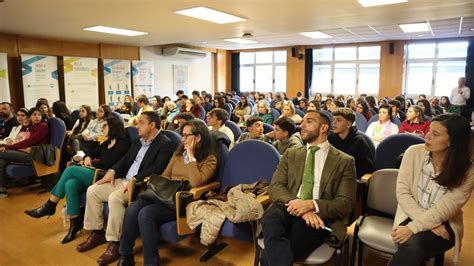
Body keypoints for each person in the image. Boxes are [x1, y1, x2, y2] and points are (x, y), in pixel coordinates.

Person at [76, 111, 175, 265]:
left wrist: (136, 179)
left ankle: (115, 243)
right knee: (93, 190)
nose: (137, 125)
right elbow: (126, 159)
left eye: (141, 122)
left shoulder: (165, 144)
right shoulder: (138, 141)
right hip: (123, 180)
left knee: (114, 198)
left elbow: (158, 168)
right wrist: (112, 171)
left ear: (152, 125)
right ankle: (97, 232)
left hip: (140, 185)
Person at [261, 110, 357, 265]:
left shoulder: (344, 162)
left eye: (309, 121)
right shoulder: (291, 154)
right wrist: (301, 206)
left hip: (319, 218)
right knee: (271, 216)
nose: (302, 125)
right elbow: (275, 187)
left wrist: (311, 205)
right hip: (288, 206)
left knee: (279, 250)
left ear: (323, 128)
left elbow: (345, 203)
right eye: (303, 121)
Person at [117, 119, 218, 265]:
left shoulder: (209, 159)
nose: (182, 139)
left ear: (198, 137)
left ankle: (151, 262)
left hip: (182, 200)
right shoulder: (178, 154)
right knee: (133, 208)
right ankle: (125, 255)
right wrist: (158, 188)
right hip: (165, 194)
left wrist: (191, 156)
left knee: (146, 213)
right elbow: (165, 175)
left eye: (186, 135)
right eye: (182, 135)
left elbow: (196, 182)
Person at [24, 116, 130, 243]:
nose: (101, 128)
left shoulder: (123, 143)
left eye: (105, 125)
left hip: (108, 177)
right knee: (70, 184)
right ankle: (74, 224)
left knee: (70, 170)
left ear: (113, 127)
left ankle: (50, 205)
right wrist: (87, 158)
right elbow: (91, 153)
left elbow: (109, 163)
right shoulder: (107, 142)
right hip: (97, 173)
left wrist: (93, 163)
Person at [388, 114, 473, 265]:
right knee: (412, 247)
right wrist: (427, 223)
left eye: (435, 134)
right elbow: (403, 192)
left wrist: (413, 228)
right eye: (429, 131)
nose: (427, 136)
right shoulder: (413, 152)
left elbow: (447, 207)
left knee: (413, 245)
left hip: (445, 222)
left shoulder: (467, 170)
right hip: (411, 212)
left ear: (452, 141)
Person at [0, 108, 49, 197]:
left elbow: (29, 142)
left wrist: (8, 147)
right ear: (30, 117)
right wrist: (25, 125)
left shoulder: (43, 126)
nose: (37, 117)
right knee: (2, 160)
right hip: (24, 152)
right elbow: (20, 138)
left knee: (1, 153)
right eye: (34, 115)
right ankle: (2, 190)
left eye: (39, 114)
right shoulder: (30, 126)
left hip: (35, 155)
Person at [328, 108, 375, 179]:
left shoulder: (359, 141)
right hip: (331, 177)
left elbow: (366, 168)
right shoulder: (329, 137)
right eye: (333, 119)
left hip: (350, 178)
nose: (334, 123)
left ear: (348, 124)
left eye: (338, 120)